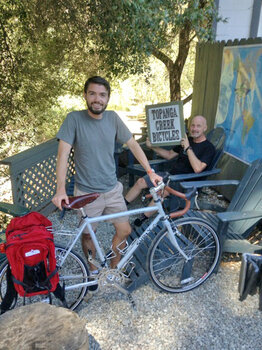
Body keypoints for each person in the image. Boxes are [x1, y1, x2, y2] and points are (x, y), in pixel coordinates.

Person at [52, 76, 162, 274]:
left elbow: (133, 145)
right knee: (88, 235)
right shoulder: (74, 119)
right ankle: (93, 271)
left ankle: (114, 268)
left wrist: (150, 171)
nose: (97, 99)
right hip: (87, 192)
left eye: (102, 95)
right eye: (92, 93)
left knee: (125, 230)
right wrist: (61, 189)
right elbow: (63, 154)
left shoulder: (112, 118)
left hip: (112, 189)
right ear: (85, 95)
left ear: (108, 98)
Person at [124, 115, 215, 225]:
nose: (194, 129)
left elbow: (198, 168)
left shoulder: (208, 148)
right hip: (171, 176)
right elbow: (169, 155)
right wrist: (152, 147)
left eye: (198, 126)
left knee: (162, 191)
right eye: (193, 125)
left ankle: (142, 219)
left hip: (187, 183)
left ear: (205, 128)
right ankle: (121, 208)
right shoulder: (187, 140)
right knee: (141, 181)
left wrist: (187, 148)